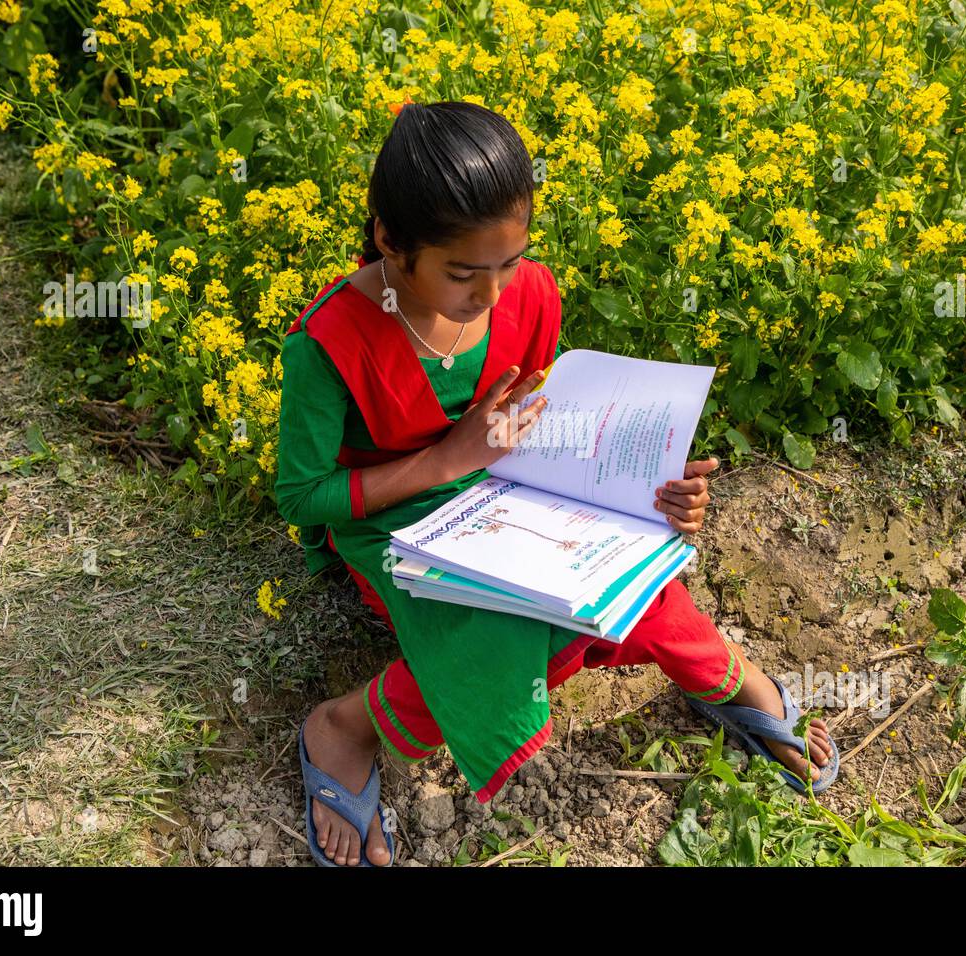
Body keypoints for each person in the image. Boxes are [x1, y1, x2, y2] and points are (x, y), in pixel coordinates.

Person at [275, 101, 838, 867]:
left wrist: (649, 488)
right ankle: (345, 727)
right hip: (397, 521)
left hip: (509, 495)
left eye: (509, 263)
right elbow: (304, 496)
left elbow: (542, 423)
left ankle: (726, 676)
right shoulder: (330, 341)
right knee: (500, 632)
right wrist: (447, 461)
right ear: (389, 241)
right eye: (464, 273)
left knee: (627, 582)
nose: (494, 294)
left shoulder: (531, 294)